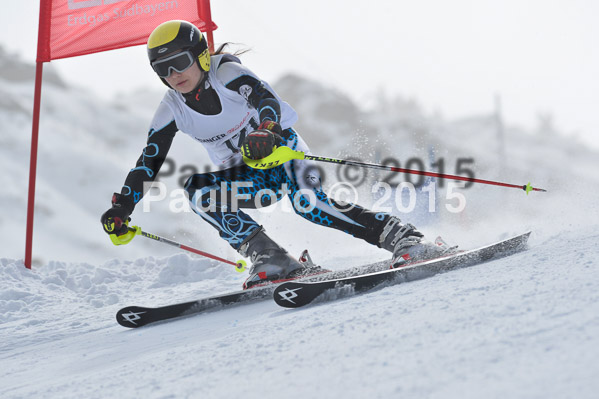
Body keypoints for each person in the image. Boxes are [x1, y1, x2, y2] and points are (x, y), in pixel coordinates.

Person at [101, 20, 453, 289]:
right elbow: (148, 162)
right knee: (199, 192)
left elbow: (265, 99)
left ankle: (401, 236)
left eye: (179, 61)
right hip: (250, 180)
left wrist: (266, 130)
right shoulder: (171, 108)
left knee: (308, 204)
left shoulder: (226, 72)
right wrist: (122, 208)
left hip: (285, 155)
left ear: (201, 56)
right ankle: (271, 258)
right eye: (162, 69)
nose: (174, 74)